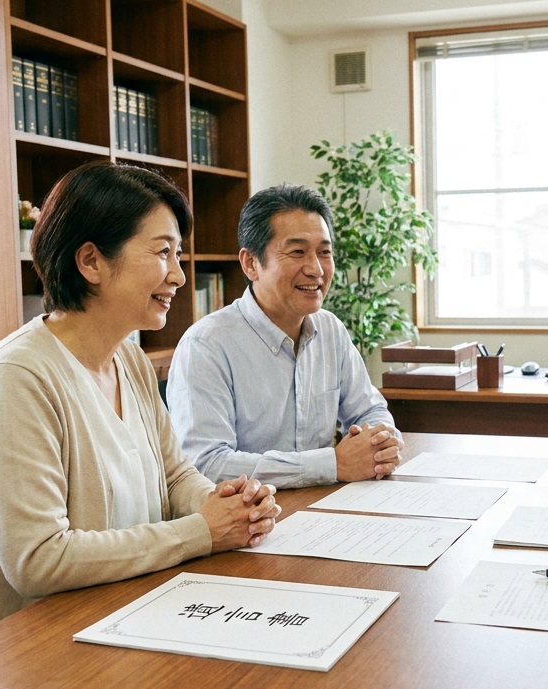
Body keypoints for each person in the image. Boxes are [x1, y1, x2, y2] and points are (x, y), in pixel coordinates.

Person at [0, 162, 280, 657]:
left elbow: (174, 475)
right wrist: (202, 531)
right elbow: (38, 561)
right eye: (162, 252)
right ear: (91, 261)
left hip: (115, 616)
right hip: (5, 652)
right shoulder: (17, 376)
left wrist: (225, 504)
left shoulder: (128, 358)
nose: (179, 275)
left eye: (177, 254)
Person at [167, 184, 401, 490]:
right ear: (251, 263)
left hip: (323, 504)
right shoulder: (206, 346)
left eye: (324, 252)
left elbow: (369, 409)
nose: (316, 269)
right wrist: (333, 464)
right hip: (250, 514)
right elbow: (207, 464)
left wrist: (380, 442)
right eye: (297, 252)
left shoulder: (330, 329)